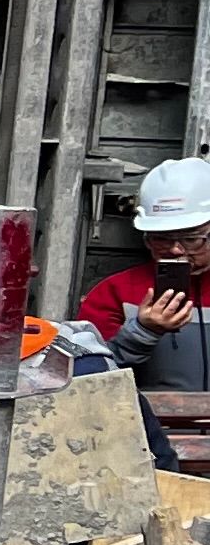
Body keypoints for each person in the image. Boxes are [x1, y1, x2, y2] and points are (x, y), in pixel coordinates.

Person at [84, 160, 210, 393]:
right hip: (147, 428)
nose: (175, 249)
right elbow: (88, 379)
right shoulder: (115, 293)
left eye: (191, 238)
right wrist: (142, 333)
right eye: (161, 238)